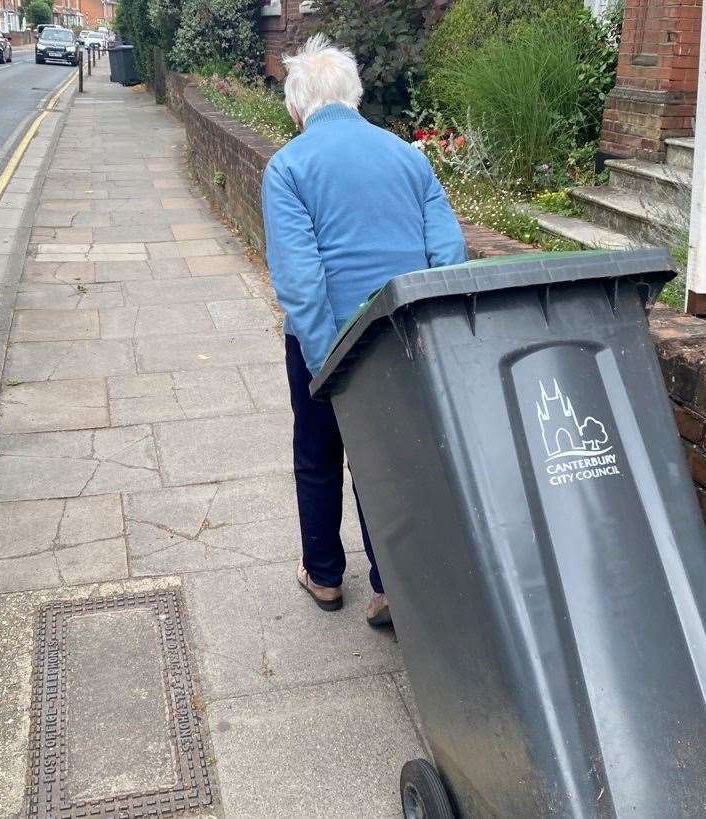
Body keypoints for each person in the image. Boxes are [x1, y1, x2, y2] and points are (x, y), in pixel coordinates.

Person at [261, 34, 467, 626]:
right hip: (401, 339)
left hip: (327, 343)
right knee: (390, 459)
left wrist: (329, 364)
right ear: (354, 97)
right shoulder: (409, 157)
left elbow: (301, 282)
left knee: (319, 454)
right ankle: (390, 586)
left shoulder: (290, 167)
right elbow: (447, 256)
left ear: (297, 108)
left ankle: (325, 576)